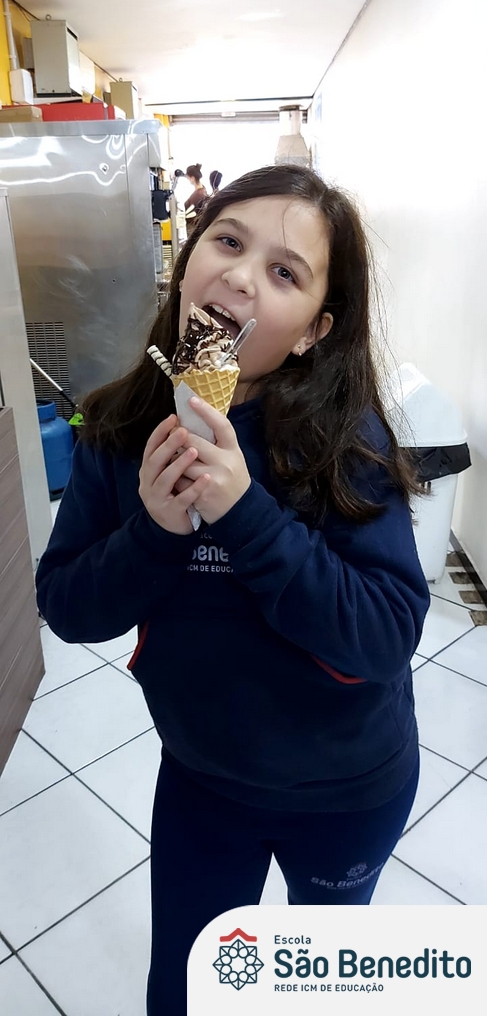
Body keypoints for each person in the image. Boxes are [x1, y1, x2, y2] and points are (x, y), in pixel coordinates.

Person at [36, 164, 430, 1016]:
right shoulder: (118, 429)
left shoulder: (346, 441)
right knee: (183, 986)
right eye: (226, 241)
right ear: (187, 268)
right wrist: (153, 532)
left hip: (347, 786)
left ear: (312, 331)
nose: (241, 276)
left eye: (283, 271)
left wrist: (245, 512)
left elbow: (383, 634)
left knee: (320, 980)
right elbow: (66, 607)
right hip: (203, 779)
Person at [184, 163, 208, 230]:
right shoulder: (202, 189)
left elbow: (190, 214)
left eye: (188, 178)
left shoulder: (198, 194)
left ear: (192, 178)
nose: (188, 180)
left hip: (193, 228)